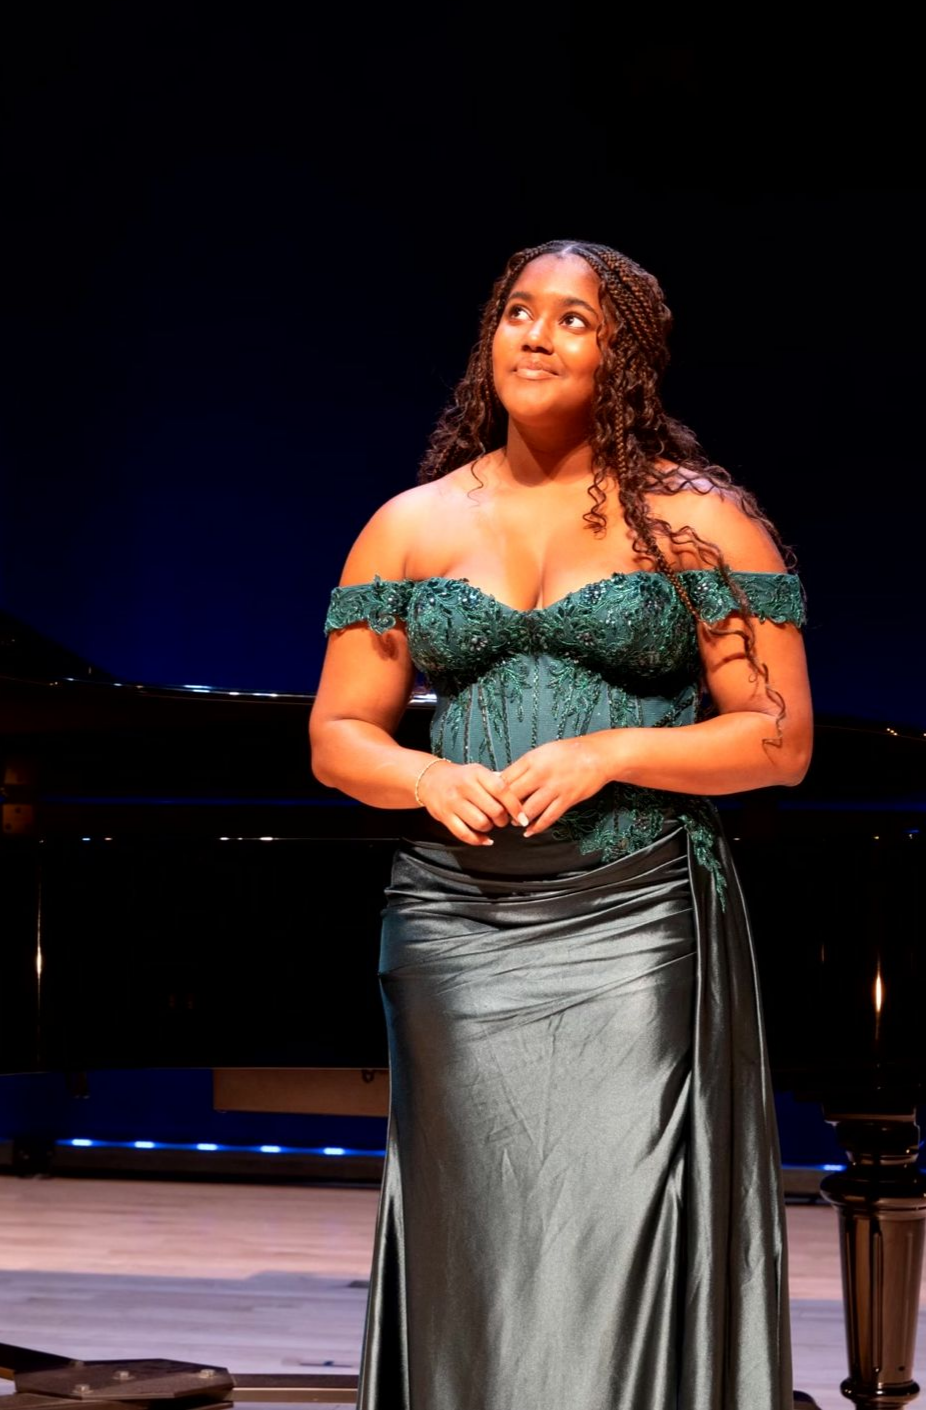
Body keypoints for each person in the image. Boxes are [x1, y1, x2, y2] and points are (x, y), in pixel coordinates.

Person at [309, 238, 812, 1410]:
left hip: (633, 914)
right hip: (454, 927)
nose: (536, 334)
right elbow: (340, 737)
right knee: (474, 1241)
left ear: (624, 356)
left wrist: (609, 751)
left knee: (610, 1232)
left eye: (574, 320)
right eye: (518, 312)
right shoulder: (409, 523)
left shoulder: (702, 523)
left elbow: (778, 740)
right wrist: (425, 780)